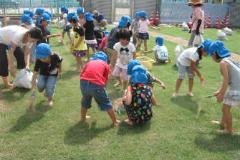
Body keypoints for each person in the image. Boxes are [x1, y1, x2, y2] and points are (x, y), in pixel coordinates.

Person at [80, 51, 120, 127]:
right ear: (105, 59)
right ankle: (115, 121)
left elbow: (82, 74)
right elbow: (105, 79)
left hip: (83, 83)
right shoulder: (105, 65)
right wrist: (102, 88)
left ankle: (83, 118)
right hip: (96, 85)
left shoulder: (89, 63)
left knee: (85, 100)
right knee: (106, 102)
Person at [210, 41, 240, 134]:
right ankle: (222, 123)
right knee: (226, 106)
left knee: (225, 109)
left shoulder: (223, 63)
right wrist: (219, 91)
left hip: (237, 89)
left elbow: (226, 81)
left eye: (211, 54)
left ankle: (228, 130)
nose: (211, 57)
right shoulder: (229, 59)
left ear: (215, 53)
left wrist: (221, 95)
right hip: (237, 87)